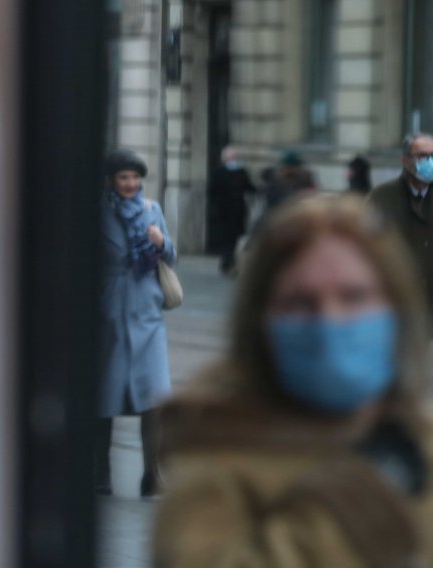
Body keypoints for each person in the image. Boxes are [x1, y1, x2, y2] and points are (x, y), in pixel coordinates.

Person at [152, 194, 433, 566]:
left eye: (354, 296)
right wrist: (357, 499)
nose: (330, 322)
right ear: (260, 323)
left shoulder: (417, 440)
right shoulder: (214, 462)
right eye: (301, 303)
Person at [98, 148, 176, 498]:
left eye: (135, 177)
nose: (130, 184)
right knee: (105, 397)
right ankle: (101, 473)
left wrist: (162, 242)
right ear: (112, 181)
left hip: (147, 312)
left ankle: (152, 474)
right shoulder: (99, 212)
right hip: (111, 313)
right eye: (123, 178)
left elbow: (171, 255)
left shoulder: (151, 209)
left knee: (154, 398)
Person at [368, 133, 433, 325]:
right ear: (405, 160)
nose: (429, 161)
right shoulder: (382, 197)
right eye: (422, 156)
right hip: (398, 298)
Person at [207, 145, 256, 274]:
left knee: (229, 238)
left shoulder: (224, 172)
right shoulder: (237, 172)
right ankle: (228, 262)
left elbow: (213, 192)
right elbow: (249, 187)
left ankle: (228, 262)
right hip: (232, 211)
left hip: (230, 211)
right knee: (231, 238)